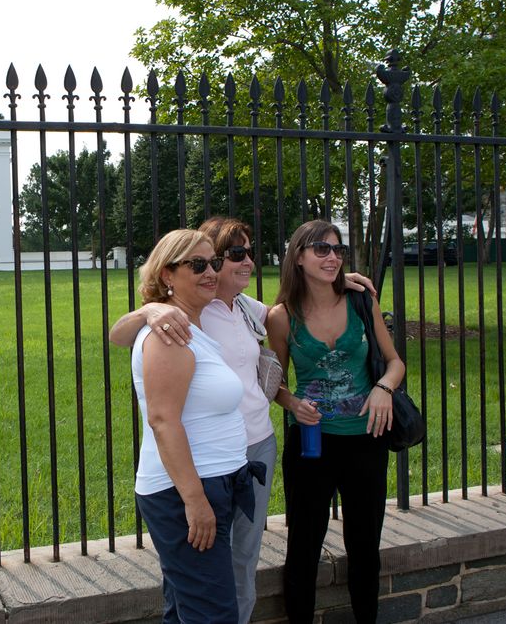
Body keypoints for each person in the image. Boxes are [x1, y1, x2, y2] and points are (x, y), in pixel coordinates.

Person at [111, 217, 374, 623]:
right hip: (198, 471)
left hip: (250, 452)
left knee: (238, 561)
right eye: (232, 255)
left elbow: (294, 312)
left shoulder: (243, 308)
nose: (244, 261)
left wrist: (332, 276)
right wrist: (150, 310)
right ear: (171, 273)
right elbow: (125, 346)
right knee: (206, 583)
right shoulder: (180, 319)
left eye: (243, 254)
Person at [266, 220, 404, 624]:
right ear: (299, 256)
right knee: (304, 546)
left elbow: (394, 362)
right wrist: (293, 404)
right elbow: (275, 383)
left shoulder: (360, 301)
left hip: (366, 439)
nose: (333, 258)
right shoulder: (281, 317)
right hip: (312, 444)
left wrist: (383, 388)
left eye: (337, 250)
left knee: (364, 545)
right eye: (322, 249)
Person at [129, 228, 265, 624]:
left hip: (212, 482)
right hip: (185, 491)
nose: (211, 272)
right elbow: (163, 420)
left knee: (187, 610)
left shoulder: (191, 326)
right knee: (213, 615)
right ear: (167, 274)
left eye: (214, 263)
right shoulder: (168, 337)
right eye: (198, 264)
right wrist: (195, 501)